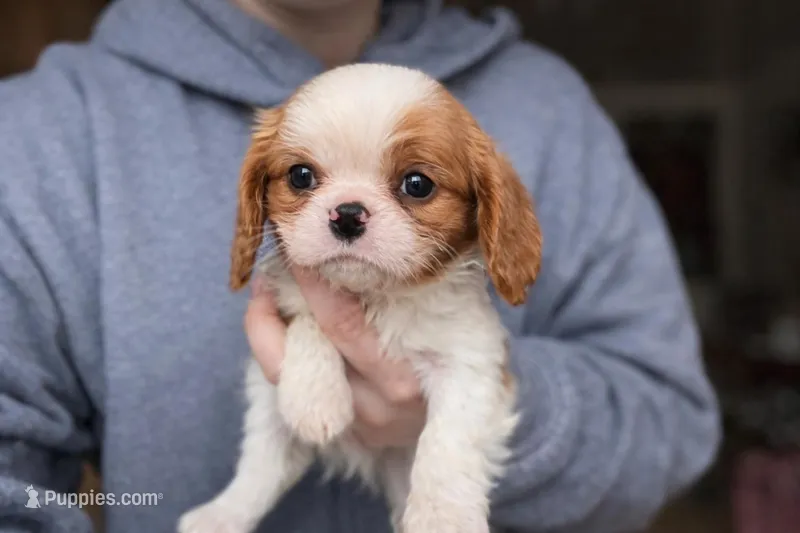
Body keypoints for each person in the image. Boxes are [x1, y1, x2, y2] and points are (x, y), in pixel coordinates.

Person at [0, 0, 721, 532]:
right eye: (303, 178)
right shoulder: (39, 132)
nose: (347, 213)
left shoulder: (553, 108)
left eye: (416, 185)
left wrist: (492, 410)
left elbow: (674, 429)